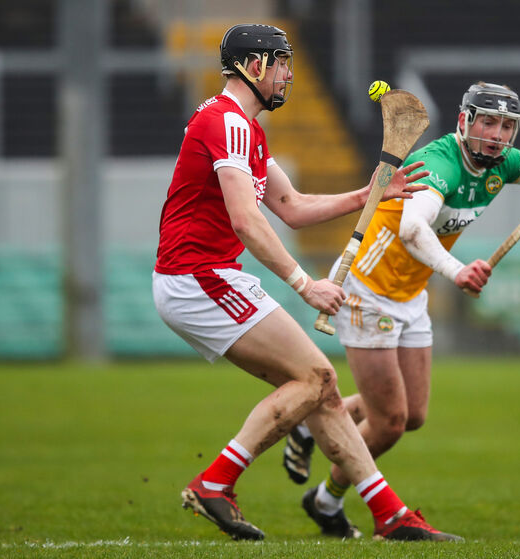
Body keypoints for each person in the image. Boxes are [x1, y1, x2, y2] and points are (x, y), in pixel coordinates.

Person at [283, 81, 520, 536]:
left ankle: (311, 425)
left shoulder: (503, 162)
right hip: (366, 291)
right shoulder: (438, 164)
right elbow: (412, 228)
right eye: (488, 122)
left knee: (413, 415)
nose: (497, 135)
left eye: (506, 126)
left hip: (410, 293)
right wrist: (457, 271)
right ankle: (327, 501)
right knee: (389, 422)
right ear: (464, 121)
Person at [152, 23, 463, 542]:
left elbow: (291, 207)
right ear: (254, 66)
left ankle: (390, 515)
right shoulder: (227, 123)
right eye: (280, 64)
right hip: (197, 277)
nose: (287, 75)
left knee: (322, 388)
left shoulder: (246, 129)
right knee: (316, 377)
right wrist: (305, 284)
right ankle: (216, 482)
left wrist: (368, 195)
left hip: (207, 276)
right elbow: (246, 220)